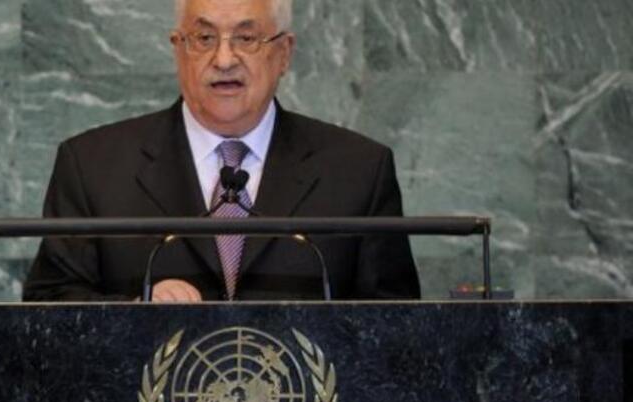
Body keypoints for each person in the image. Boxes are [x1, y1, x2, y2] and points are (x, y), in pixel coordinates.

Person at [23, 0, 420, 302]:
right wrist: (136, 310)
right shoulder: (92, 166)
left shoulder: (358, 172)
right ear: (178, 49)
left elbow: (396, 334)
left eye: (246, 38)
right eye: (204, 38)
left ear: (284, 53)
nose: (224, 59)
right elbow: (47, 309)